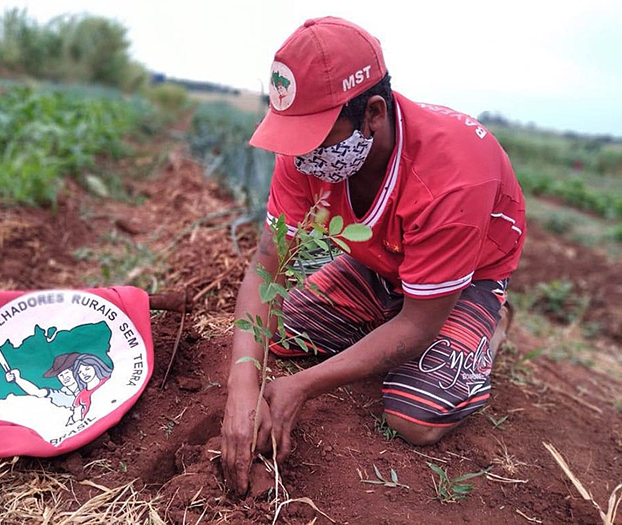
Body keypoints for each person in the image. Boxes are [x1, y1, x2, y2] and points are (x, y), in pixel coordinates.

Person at [221, 16, 526, 496]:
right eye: (293, 136)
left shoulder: (454, 175)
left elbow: (420, 324)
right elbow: (266, 265)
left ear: (374, 113)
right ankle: (385, 316)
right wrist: (243, 384)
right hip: (382, 265)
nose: (301, 159)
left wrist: (299, 388)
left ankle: (491, 323)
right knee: (277, 332)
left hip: (462, 282)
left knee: (415, 414)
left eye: (316, 137)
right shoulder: (306, 151)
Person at [5, 352, 81, 408]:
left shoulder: (89, 385)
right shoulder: (60, 395)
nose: (65, 377)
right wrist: (18, 379)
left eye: (67, 373)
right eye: (61, 375)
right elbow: (37, 392)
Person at [70, 353, 113, 423]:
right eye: (80, 372)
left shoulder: (109, 380)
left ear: (95, 366)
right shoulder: (80, 396)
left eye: (87, 369)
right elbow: (76, 418)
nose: (84, 374)